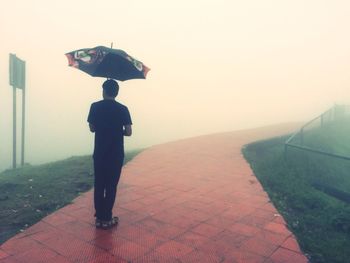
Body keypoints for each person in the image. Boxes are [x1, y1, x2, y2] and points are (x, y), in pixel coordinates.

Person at [87, 79, 132, 229]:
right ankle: (107, 218)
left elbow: (92, 128)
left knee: (99, 184)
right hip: (116, 153)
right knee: (111, 186)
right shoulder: (123, 109)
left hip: (100, 152)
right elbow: (129, 132)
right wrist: (117, 130)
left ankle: (99, 217)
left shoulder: (95, 107)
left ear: (103, 90)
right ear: (117, 92)